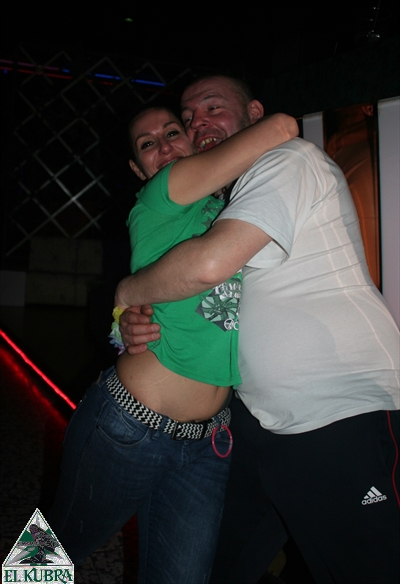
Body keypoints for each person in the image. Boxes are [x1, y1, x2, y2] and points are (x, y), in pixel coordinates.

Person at [117, 75, 400, 584]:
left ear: (254, 115)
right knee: (74, 527)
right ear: (138, 170)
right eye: (189, 118)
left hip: (338, 414)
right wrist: (125, 322)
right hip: (157, 420)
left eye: (213, 108)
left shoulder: (287, 161)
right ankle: (25, 575)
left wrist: (125, 295)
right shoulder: (200, 208)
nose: (198, 124)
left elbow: (206, 267)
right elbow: (187, 298)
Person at [47, 103, 298, 584]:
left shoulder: (229, 207)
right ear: (138, 168)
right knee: (56, 546)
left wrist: (121, 317)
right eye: (148, 144)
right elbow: (283, 128)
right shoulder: (160, 195)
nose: (163, 147)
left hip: (209, 443)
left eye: (172, 133)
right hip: (128, 427)